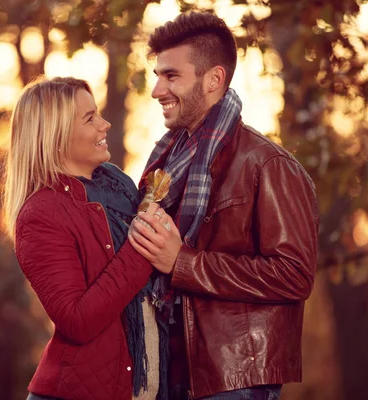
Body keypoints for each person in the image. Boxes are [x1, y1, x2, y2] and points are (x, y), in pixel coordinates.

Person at [128, 12, 319, 400]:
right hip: (166, 368)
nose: (157, 90)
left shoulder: (267, 165)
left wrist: (182, 262)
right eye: (157, 76)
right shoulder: (166, 162)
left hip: (235, 378)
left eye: (171, 76)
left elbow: (294, 275)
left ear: (213, 79)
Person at [3, 76, 170, 400]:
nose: (104, 125)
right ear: (57, 135)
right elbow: (77, 320)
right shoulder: (41, 214)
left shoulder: (118, 185)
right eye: (90, 118)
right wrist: (144, 246)